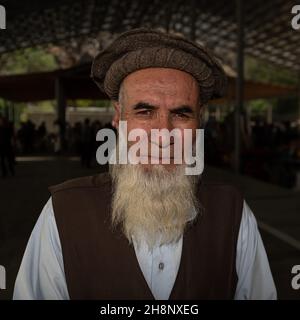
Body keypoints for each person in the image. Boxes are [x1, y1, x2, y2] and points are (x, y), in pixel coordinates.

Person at [13, 28, 276, 300]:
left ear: (200, 121)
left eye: (181, 114)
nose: (163, 134)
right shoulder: (64, 212)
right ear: (118, 118)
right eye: (145, 111)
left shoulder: (232, 213)